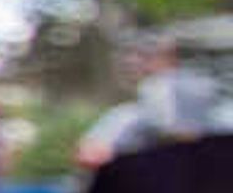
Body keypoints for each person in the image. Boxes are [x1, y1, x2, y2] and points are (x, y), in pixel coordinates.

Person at [74, 33, 229, 169]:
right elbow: (90, 155)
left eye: (145, 57)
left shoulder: (167, 87)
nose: (133, 63)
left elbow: (181, 130)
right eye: (131, 56)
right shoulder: (125, 115)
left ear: (169, 58)